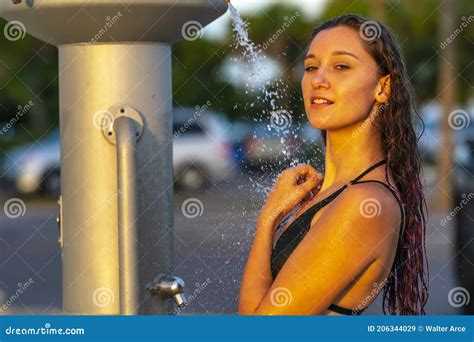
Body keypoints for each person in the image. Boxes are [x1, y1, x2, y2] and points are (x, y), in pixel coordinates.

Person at [238, 14, 429, 315]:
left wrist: (267, 220)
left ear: (383, 88)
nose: (318, 80)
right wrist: (270, 218)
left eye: (341, 66)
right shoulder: (332, 190)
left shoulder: (365, 203)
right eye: (311, 67)